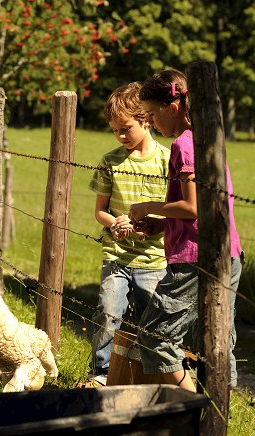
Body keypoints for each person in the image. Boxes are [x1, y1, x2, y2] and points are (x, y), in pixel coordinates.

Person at [128, 69, 243, 391]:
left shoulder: (183, 146)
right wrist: (163, 224)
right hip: (225, 252)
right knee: (217, 340)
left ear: (172, 107)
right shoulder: (202, 139)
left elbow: (194, 207)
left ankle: (193, 406)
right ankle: (217, 414)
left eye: (152, 114)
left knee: (155, 337)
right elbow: (202, 210)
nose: (150, 122)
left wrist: (147, 207)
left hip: (195, 259)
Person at [82, 82, 170, 387]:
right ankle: (101, 374)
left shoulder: (167, 161)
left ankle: (146, 376)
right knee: (108, 313)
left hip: (154, 259)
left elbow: (176, 209)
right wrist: (114, 223)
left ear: (146, 120)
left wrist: (154, 221)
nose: (120, 136)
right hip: (117, 256)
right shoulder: (110, 161)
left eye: (126, 128)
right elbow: (100, 211)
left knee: (150, 322)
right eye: (114, 131)